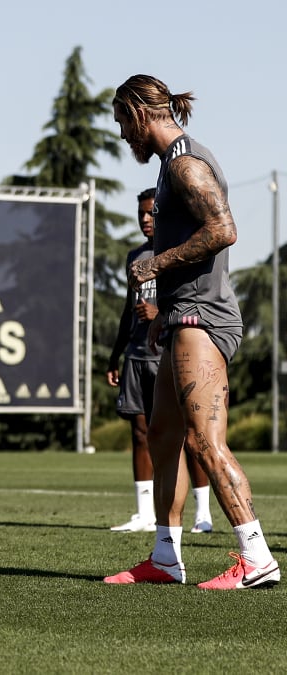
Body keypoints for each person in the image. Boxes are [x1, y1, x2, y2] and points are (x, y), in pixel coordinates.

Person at [104, 74, 278, 589]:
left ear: (140, 113)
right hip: (181, 316)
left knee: (205, 441)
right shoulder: (168, 165)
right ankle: (165, 558)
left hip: (202, 317)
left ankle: (257, 556)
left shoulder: (184, 163)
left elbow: (223, 230)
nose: (121, 135)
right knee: (163, 437)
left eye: (121, 122)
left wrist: (156, 265)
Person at [105, 188, 213, 534]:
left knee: (188, 434)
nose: (146, 220)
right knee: (140, 433)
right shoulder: (135, 257)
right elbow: (126, 310)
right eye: (141, 214)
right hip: (136, 354)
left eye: (151, 213)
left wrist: (159, 313)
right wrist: (115, 354)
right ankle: (143, 514)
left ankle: (203, 514)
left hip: (167, 351)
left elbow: (187, 299)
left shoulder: (176, 253)